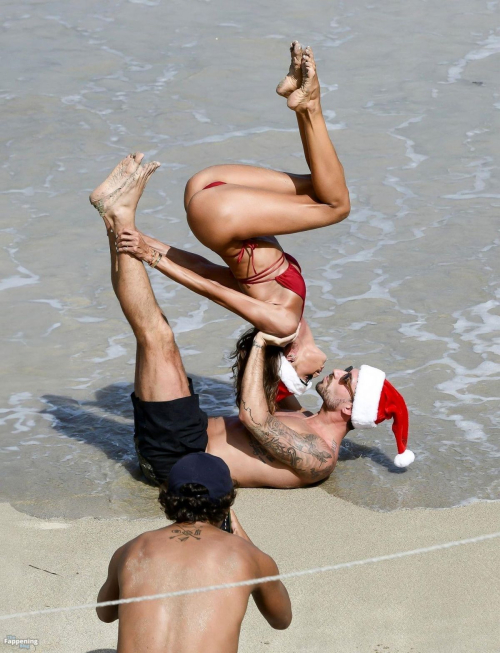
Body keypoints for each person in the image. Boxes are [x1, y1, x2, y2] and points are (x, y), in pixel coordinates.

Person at [89, 157, 414, 489]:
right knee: (158, 335)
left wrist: (262, 342)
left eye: (347, 380)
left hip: (177, 458)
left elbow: (254, 418)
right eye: (347, 369)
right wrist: (289, 335)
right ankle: (115, 217)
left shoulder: (320, 456)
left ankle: (119, 215)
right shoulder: (300, 416)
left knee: (157, 335)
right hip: (188, 432)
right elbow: (274, 378)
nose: (338, 372)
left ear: (349, 410)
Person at [105, 43, 349, 406]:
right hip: (212, 198)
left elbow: (210, 287)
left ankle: (309, 102)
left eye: (307, 377)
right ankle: (299, 98)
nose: (319, 373)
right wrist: (146, 242)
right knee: (323, 187)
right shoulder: (284, 309)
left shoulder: (280, 326)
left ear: (291, 358)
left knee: (337, 206)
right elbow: (206, 268)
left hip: (221, 211)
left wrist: (148, 254)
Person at [96, 452, 292, 653]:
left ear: (168, 498)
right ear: (227, 503)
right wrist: (246, 544)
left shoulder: (131, 550)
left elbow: (105, 613)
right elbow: (282, 619)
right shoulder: (247, 555)